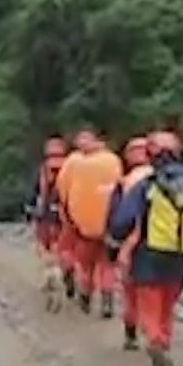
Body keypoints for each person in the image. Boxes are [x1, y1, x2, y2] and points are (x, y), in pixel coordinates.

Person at [106, 130, 183, 366]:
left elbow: (122, 220)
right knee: (168, 306)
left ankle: (155, 342)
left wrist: (113, 243)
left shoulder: (147, 186)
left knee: (150, 307)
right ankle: (163, 343)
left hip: (150, 255)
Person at [55, 128, 124, 316]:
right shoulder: (113, 161)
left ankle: (85, 298)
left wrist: (68, 218)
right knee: (107, 265)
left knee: (86, 265)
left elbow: (63, 192)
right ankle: (107, 300)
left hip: (83, 226)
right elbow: (120, 192)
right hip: (110, 227)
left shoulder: (73, 162)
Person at [107, 135, 153, 349]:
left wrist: (113, 244)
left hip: (133, 246)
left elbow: (119, 218)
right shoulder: (170, 180)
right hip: (165, 248)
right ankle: (158, 337)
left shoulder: (127, 182)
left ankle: (131, 335)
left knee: (131, 292)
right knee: (157, 296)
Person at [26, 135, 71, 310]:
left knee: (44, 248)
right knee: (62, 248)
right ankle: (65, 272)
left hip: (44, 217)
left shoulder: (43, 170)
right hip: (63, 218)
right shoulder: (69, 168)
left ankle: (49, 278)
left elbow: (34, 193)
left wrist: (30, 210)